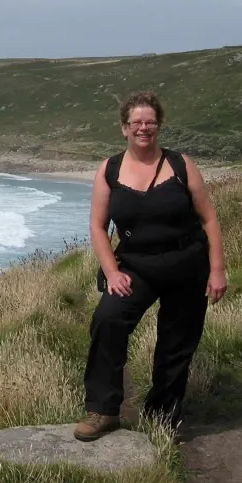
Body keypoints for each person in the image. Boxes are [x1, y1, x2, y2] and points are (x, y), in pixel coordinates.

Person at [74, 90, 227, 442]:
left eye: (150, 122)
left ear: (159, 126)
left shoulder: (181, 165)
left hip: (187, 264)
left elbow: (209, 218)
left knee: (177, 343)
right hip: (136, 265)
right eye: (136, 123)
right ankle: (102, 410)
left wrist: (217, 269)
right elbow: (97, 226)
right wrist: (112, 272)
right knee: (108, 320)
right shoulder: (109, 170)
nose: (143, 128)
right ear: (124, 128)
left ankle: (161, 417)